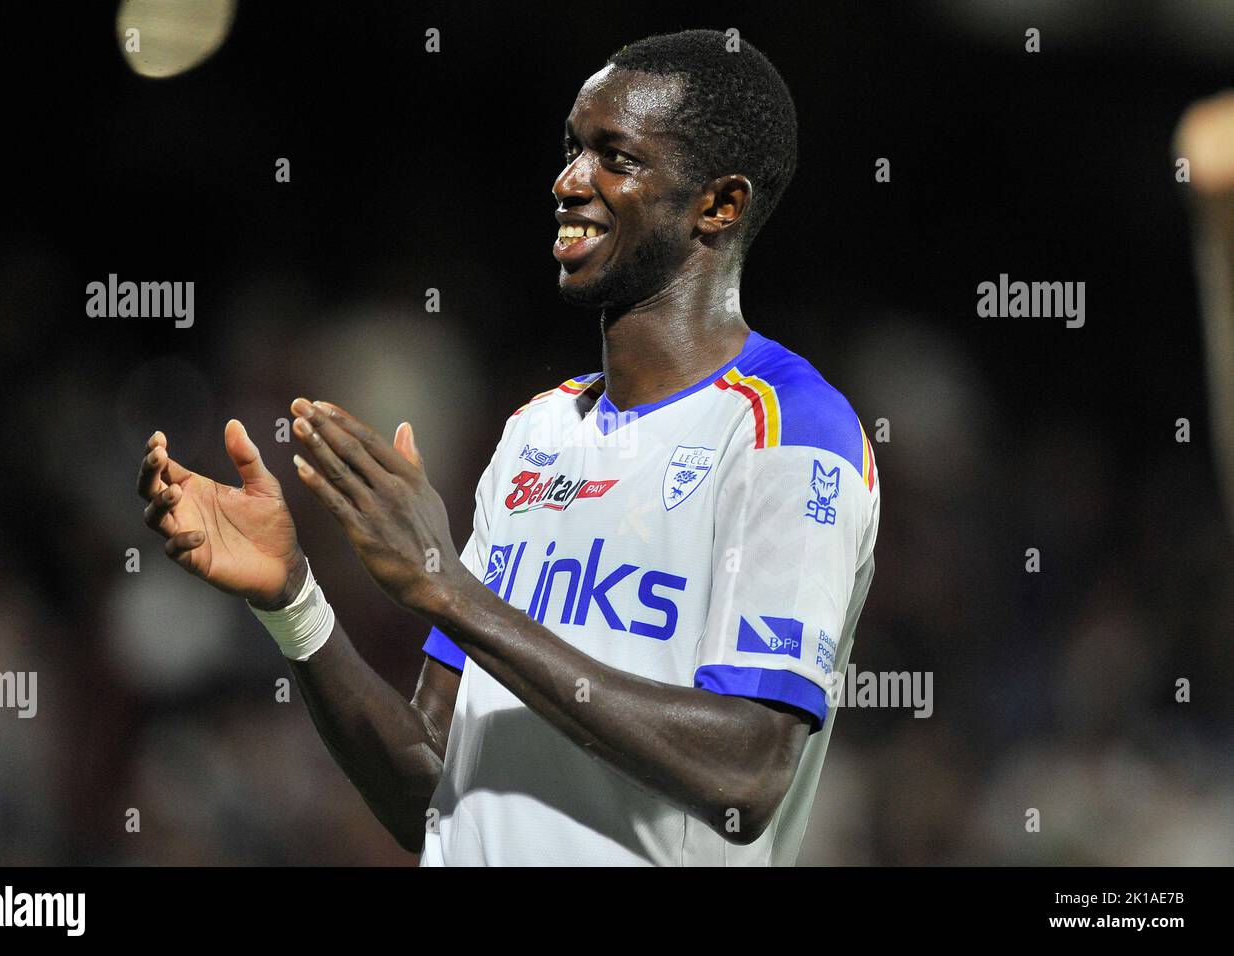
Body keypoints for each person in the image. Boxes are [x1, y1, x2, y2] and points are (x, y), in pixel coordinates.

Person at [136, 29, 880, 866]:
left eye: (616, 157)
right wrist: (294, 602)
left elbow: (746, 772)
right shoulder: (537, 434)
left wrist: (449, 591)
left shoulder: (788, 429)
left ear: (720, 204)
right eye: (571, 148)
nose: (568, 181)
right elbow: (431, 785)